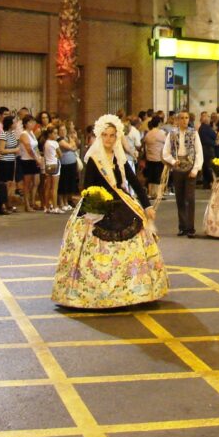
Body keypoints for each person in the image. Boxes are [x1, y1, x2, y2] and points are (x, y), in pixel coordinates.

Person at [51, 114, 168, 309]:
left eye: (112, 135)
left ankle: (132, 290)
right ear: (99, 136)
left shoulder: (119, 157)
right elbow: (87, 187)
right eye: (105, 135)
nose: (108, 139)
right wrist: (93, 211)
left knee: (136, 241)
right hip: (96, 205)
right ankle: (91, 292)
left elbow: (135, 183)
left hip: (121, 203)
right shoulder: (94, 158)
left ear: (117, 137)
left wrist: (146, 206)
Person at [161, 111, 203, 238]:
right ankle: (182, 226)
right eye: (182, 118)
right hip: (178, 166)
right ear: (177, 120)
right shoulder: (172, 134)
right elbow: (165, 152)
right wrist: (173, 161)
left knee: (190, 198)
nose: (184, 120)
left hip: (190, 166)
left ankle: (190, 227)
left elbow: (199, 152)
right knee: (179, 198)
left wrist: (196, 169)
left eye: (186, 118)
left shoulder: (194, 133)